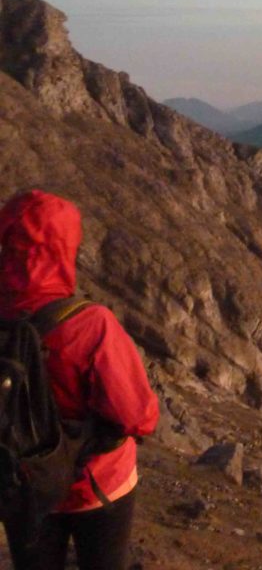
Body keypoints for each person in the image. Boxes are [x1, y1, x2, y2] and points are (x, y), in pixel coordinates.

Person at [0, 190, 159, 570]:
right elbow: (139, 417)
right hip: (97, 487)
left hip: (22, 486)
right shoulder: (91, 325)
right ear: (64, 248)